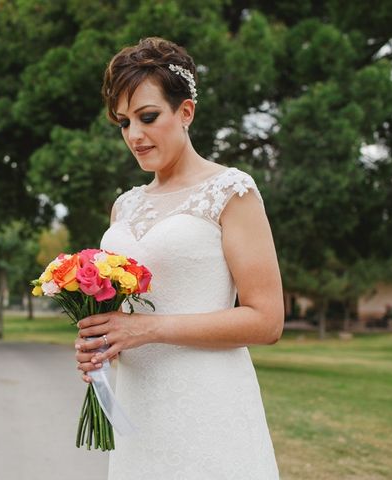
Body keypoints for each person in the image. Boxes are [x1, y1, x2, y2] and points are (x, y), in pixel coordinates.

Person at [74, 36, 283, 479]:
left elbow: (267, 320)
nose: (134, 135)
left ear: (185, 112)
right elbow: (124, 317)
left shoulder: (231, 192)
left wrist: (145, 329)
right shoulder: (124, 206)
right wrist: (101, 342)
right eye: (123, 122)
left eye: (148, 117)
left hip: (208, 404)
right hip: (138, 407)